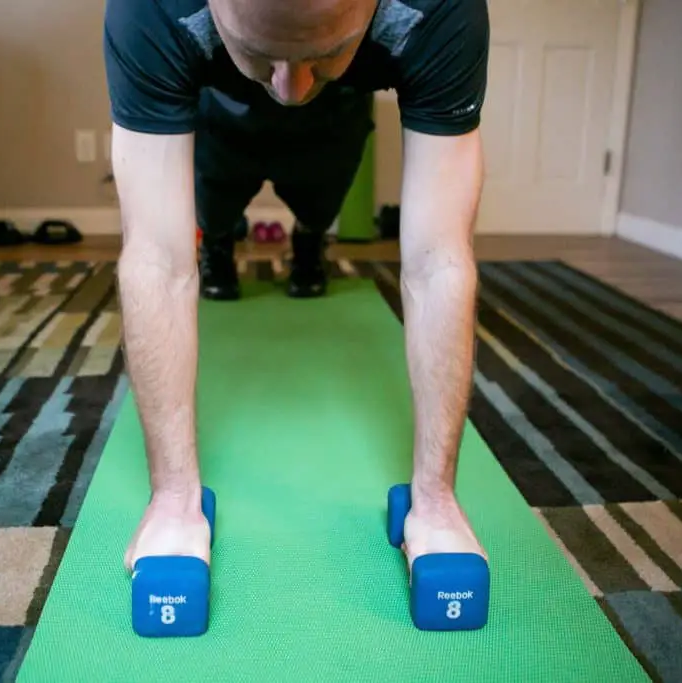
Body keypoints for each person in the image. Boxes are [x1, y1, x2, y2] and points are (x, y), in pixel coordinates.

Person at [105, 0, 489, 579]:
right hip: (221, 114)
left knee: (321, 188)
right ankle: (222, 241)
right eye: (261, 55)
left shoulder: (440, 11)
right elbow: (157, 260)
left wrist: (434, 500)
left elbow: (438, 262)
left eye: (325, 51)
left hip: (333, 124)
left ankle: (311, 237)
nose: (288, 90)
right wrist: (173, 497)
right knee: (210, 201)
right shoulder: (151, 9)